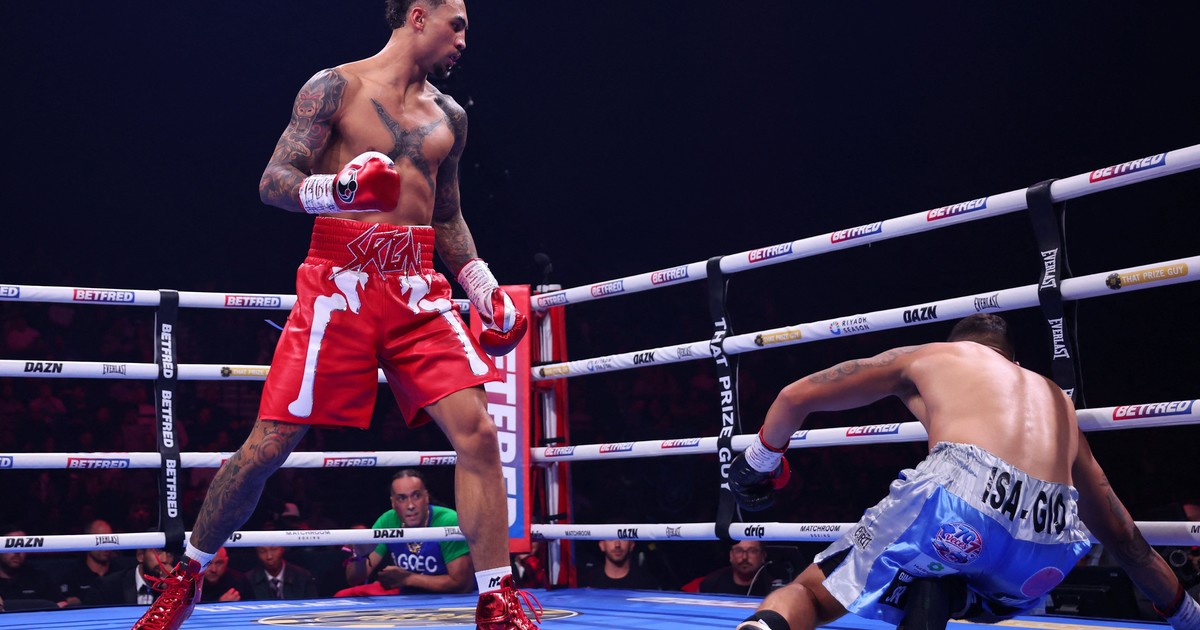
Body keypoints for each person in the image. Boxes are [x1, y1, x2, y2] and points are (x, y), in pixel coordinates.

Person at [133, 1, 535, 628]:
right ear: (418, 16)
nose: (464, 40)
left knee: (479, 432)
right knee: (267, 446)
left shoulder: (450, 116)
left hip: (415, 286)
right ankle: (187, 575)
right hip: (339, 282)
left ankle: (496, 599)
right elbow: (273, 180)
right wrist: (337, 190)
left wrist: (481, 285)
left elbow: (447, 214)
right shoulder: (336, 87)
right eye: (456, 24)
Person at [728, 314, 1200, 630]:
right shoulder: (1059, 402)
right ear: (1015, 362)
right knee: (966, 585)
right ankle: (944, 591)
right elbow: (1122, 536)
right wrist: (1186, 614)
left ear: (954, 347)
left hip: (960, 498)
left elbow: (795, 396)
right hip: (1048, 543)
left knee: (809, 593)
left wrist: (759, 463)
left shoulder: (934, 356)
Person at [339, 469, 472, 595]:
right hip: (408, 597)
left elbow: (461, 584)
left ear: (426, 497)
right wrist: (359, 556)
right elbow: (354, 579)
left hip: (450, 599)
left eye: (416, 496)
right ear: (393, 502)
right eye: (402, 498)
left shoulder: (448, 521)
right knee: (344, 595)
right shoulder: (388, 521)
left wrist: (409, 579)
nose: (410, 505)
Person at [60, 519, 134, 606]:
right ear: (87, 541)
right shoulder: (73, 576)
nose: (106, 545)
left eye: (109, 540)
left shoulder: (121, 573)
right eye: (100, 540)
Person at [0, 526, 65, 610]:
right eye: (11, 545)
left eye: (22, 546)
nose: (17, 552)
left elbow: (61, 604)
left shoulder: (40, 578)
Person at [86, 548, 176, 606]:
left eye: (169, 554)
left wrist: (172, 589)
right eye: (158, 551)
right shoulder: (108, 587)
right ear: (140, 555)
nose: (165, 559)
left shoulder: (177, 586)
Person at [696, 540, 780, 597]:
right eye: (739, 550)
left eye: (752, 551)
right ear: (731, 555)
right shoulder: (710, 584)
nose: (744, 557)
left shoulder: (774, 589)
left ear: (763, 556)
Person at [577, 539, 661, 590]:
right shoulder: (589, 582)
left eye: (623, 538)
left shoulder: (646, 583)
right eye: (611, 539)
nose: (617, 545)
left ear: (632, 545)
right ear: (602, 545)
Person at [247, 546, 318, 601]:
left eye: (274, 549)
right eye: (262, 551)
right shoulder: (248, 580)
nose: (269, 556)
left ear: (282, 548)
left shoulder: (303, 576)